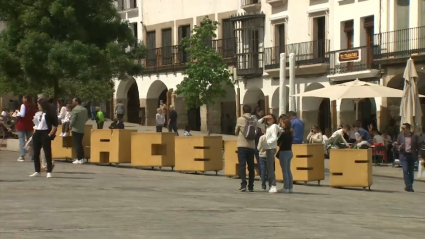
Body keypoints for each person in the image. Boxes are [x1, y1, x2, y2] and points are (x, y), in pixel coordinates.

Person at [235, 105, 264, 192]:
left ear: (243, 110)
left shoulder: (240, 119)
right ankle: (251, 185)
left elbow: (236, 131)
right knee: (251, 166)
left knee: (242, 165)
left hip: (242, 145)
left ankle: (243, 185)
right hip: (251, 145)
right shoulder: (254, 120)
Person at [29, 99, 58, 178]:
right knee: (36, 153)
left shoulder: (49, 114)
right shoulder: (38, 113)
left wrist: (49, 134)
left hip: (45, 132)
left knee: (47, 152)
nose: (38, 106)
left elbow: (55, 125)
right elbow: (36, 124)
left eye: (39, 104)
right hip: (37, 132)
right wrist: (34, 133)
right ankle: (37, 170)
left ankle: (49, 171)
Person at [394, 123, 420, 192]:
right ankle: (409, 186)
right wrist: (399, 147)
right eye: (401, 128)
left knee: (411, 172)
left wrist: (419, 155)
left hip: (412, 155)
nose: (402, 129)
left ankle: (409, 185)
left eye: (403, 128)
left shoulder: (414, 136)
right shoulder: (400, 136)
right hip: (404, 155)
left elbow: (418, 146)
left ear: (408, 129)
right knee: (405, 170)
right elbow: (397, 145)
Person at [257, 114, 280, 193]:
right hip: (268, 148)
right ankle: (272, 184)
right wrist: (263, 118)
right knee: (269, 167)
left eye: (270, 119)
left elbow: (274, 137)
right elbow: (257, 124)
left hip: (271, 148)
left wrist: (267, 143)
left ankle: (273, 185)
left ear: (273, 119)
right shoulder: (267, 127)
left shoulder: (274, 126)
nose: (268, 120)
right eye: (267, 119)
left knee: (270, 168)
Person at [15, 95, 36, 162]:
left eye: (23, 98)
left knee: (22, 140)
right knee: (30, 141)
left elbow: (22, 114)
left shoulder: (23, 105)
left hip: (22, 124)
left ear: (26, 99)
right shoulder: (32, 106)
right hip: (30, 125)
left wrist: (17, 112)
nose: (22, 99)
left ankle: (22, 155)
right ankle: (33, 155)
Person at [277, 116, 294, 193]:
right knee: (288, 170)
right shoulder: (291, 132)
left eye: (282, 123)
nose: (281, 124)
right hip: (289, 151)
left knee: (284, 171)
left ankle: (286, 187)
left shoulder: (284, 133)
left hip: (283, 152)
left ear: (285, 124)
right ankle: (290, 187)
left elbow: (278, 142)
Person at [70, 97, 88, 164]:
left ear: (76, 102)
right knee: (80, 143)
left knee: (77, 144)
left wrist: (70, 126)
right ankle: (82, 158)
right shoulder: (85, 109)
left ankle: (79, 158)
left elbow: (73, 119)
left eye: (73, 101)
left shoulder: (75, 109)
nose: (72, 102)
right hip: (82, 128)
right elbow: (86, 118)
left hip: (75, 129)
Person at [252, 107, 265, 178]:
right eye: (261, 112)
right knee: (260, 159)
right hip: (257, 142)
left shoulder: (253, 120)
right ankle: (262, 174)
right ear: (258, 112)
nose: (262, 114)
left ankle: (261, 173)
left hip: (254, 142)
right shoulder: (256, 120)